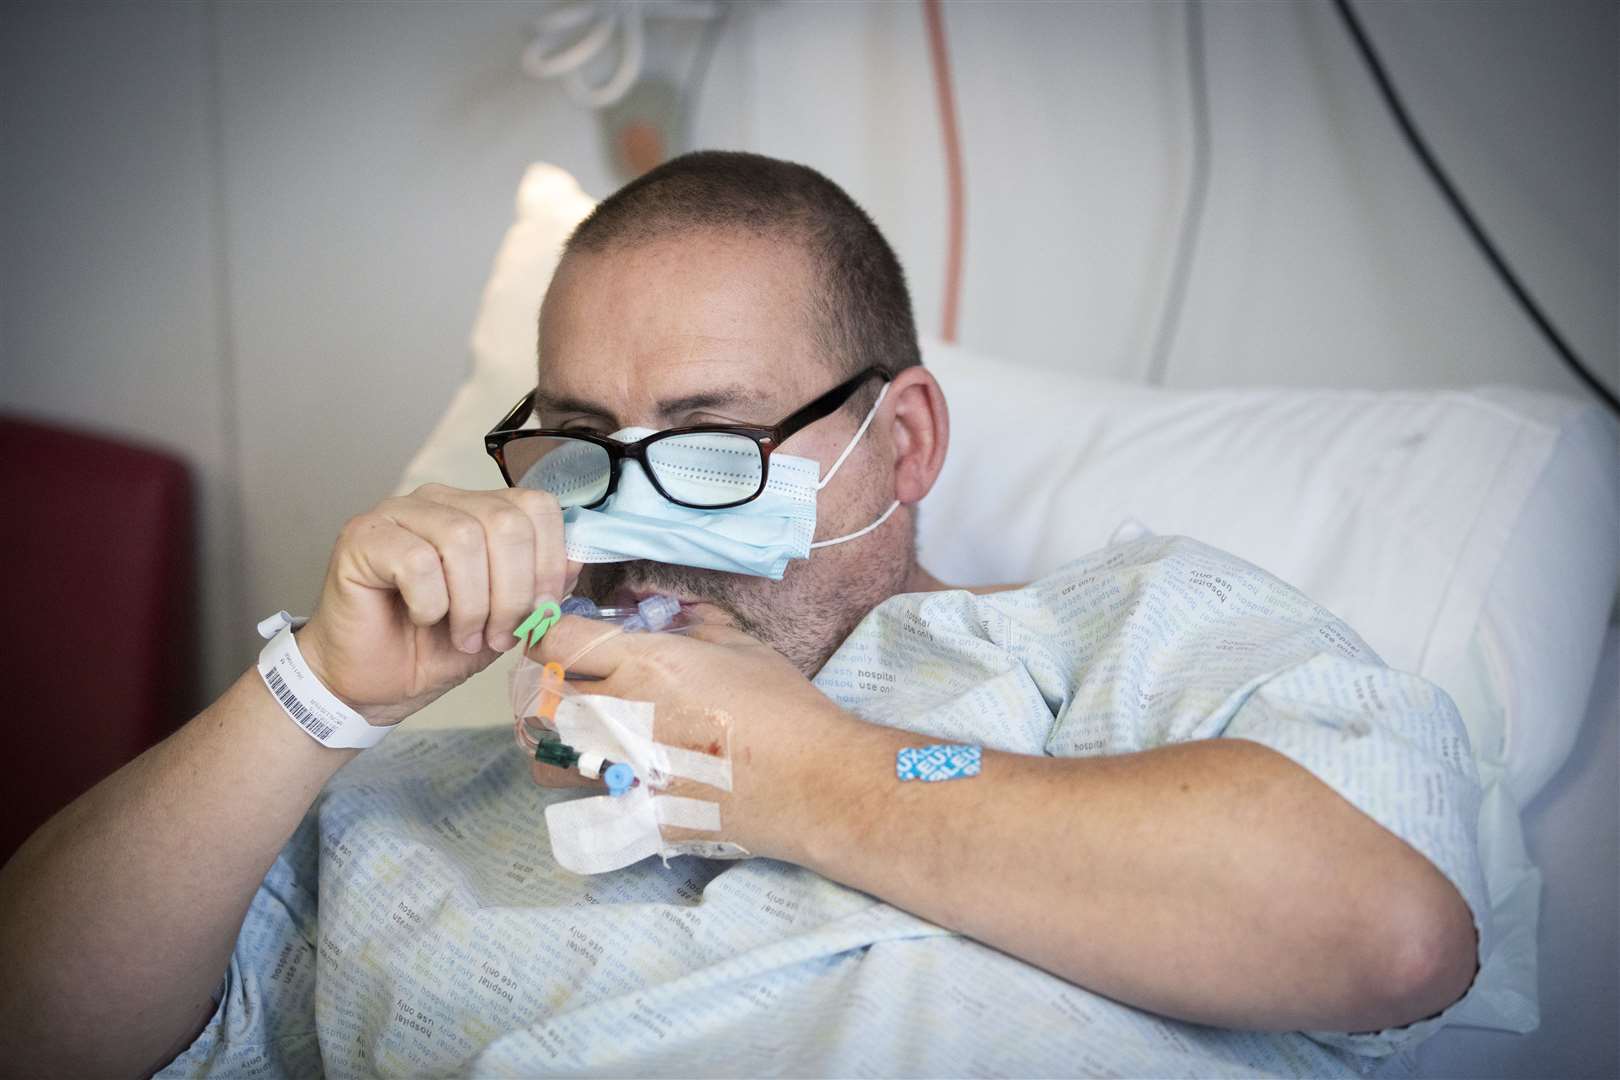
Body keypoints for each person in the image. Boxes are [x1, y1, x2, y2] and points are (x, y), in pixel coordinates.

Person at [0, 152, 1484, 1077]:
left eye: (711, 444)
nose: (637, 508)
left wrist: (810, 775)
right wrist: (319, 695)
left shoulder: (1134, 642)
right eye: (585, 441)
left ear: (900, 444)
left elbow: (1389, 932)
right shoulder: (397, 808)